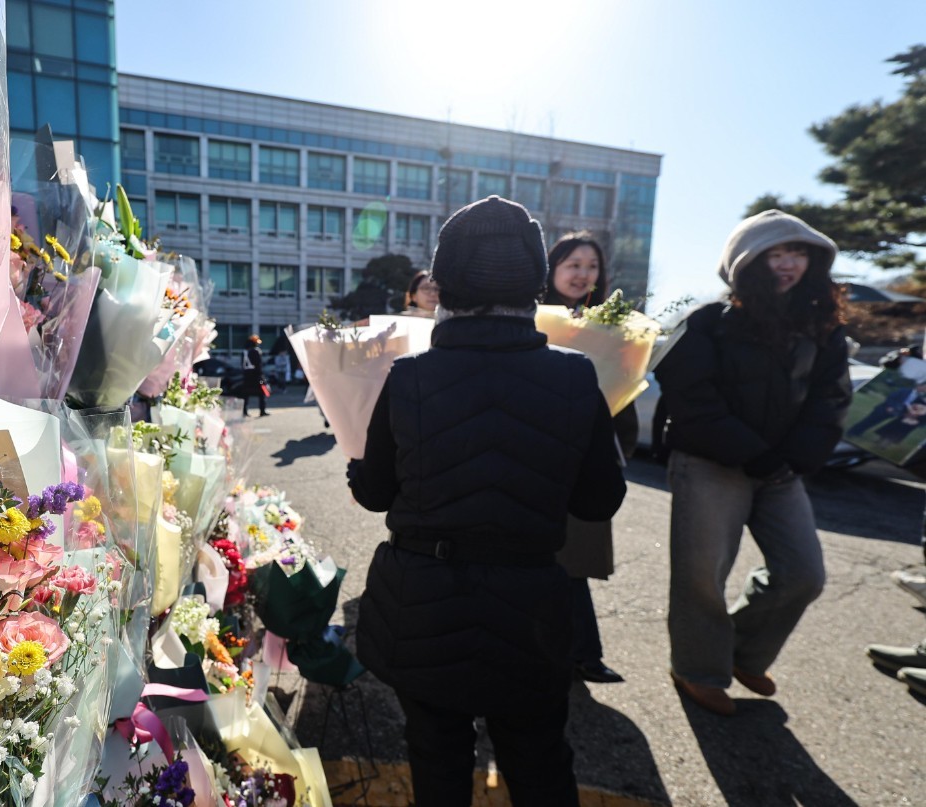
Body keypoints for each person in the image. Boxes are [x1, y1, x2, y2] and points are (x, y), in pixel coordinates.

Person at [349, 196, 626, 807]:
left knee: (436, 757)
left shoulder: (409, 376)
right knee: (540, 761)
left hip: (425, 603)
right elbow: (599, 500)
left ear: (444, 284)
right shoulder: (577, 374)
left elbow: (374, 495)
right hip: (531, 606)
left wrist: (354, 459)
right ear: (534, 283)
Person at [655, 209, 852, 716]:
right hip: (709, 463)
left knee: (803, 574)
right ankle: (698, 670)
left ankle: (742, 653)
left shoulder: (822, 327)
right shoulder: (708, 321)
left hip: (782, 471)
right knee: (702, 578)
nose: (788, 264)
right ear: (745, 263)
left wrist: (799, 456)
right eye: (775, 253)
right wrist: (754, 453)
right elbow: (691, 400)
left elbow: (831, 398)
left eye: (799, 252)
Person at [544, 232, 634, 684]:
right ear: (553, 268)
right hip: (536, 451)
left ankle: (583, 653)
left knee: (573, 559)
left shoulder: (612, 326)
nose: (583, 274)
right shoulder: (531, 317)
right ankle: (570, 651)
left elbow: (625, 391)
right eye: (573, 264)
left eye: (592, 266)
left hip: (586, 454)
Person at [241, 334, 268, 417]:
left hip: (246, 375)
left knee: (246, 394)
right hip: (256, 375)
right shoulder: (256, 351)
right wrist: (261, 376)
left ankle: (244, 411)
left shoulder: (244, 352)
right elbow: (258, 364)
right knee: (262, 392)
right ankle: (262, 410)